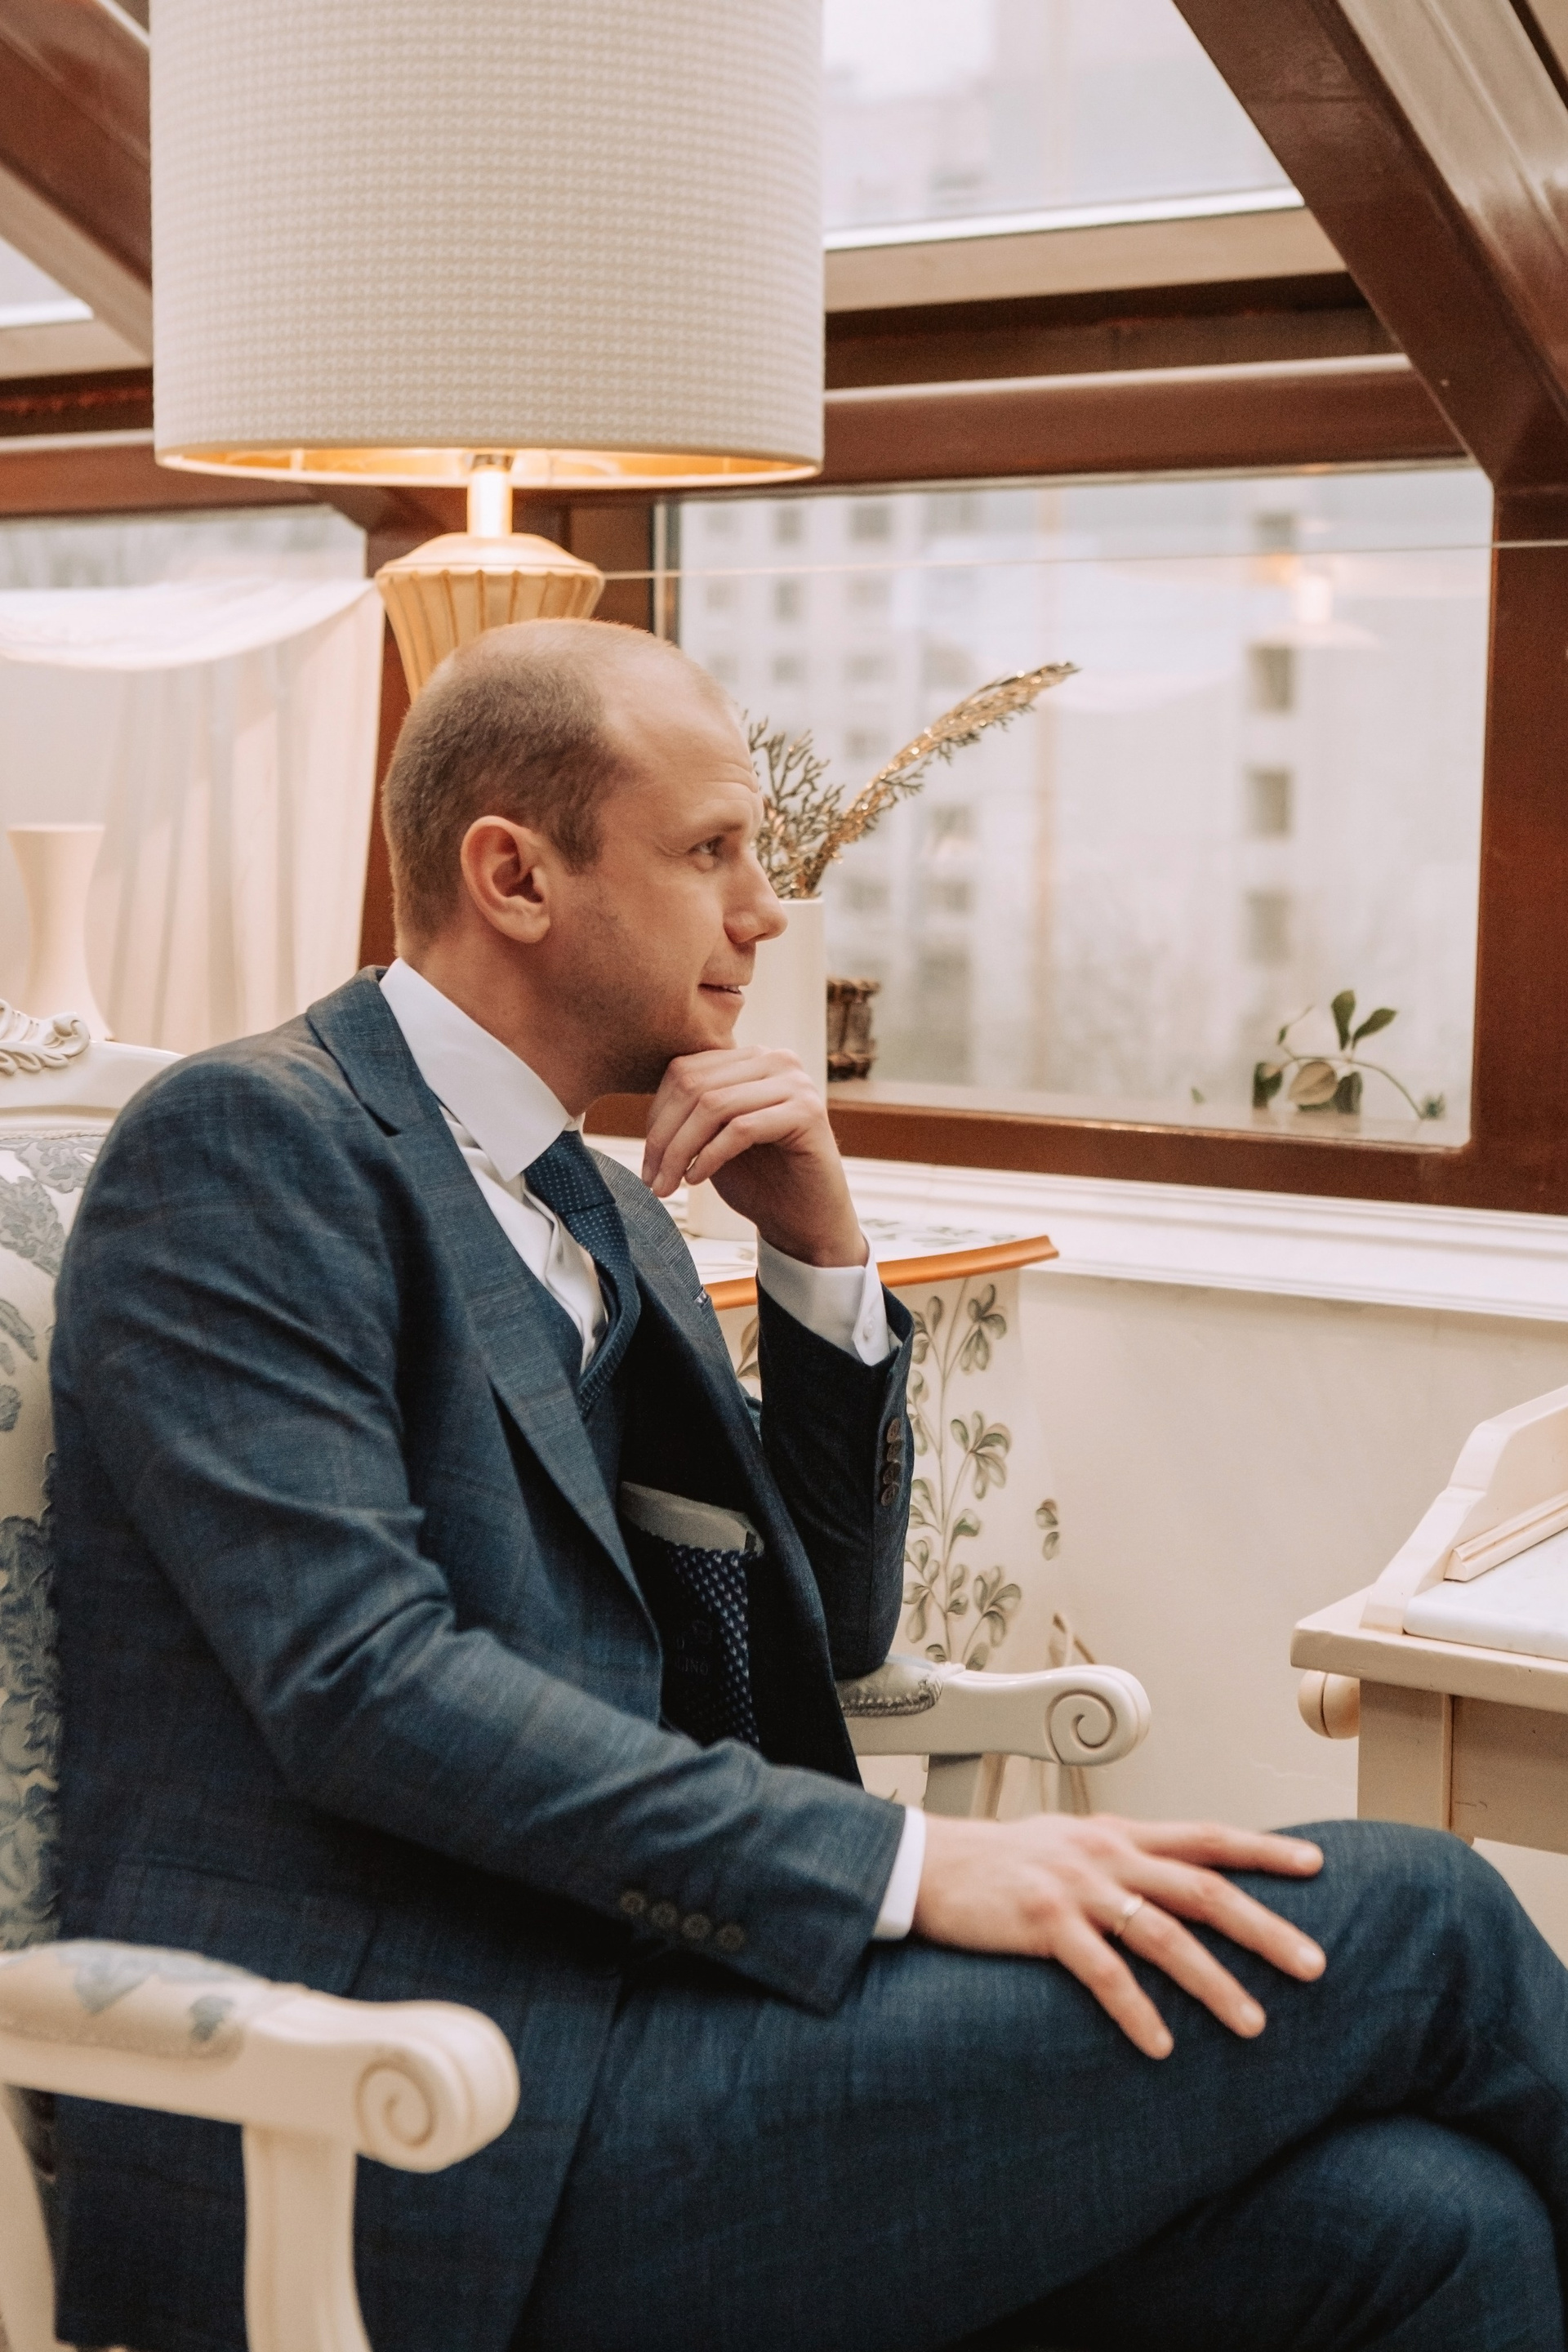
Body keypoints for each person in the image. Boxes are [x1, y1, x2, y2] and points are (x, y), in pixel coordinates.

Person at [48, 618, 1568, 2352]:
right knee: (1424, 1917)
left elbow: (823, 1636)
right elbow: (364, 1687)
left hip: (675, 2015)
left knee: (1438, 2228)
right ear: (514, 876)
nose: (765, 911)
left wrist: (824, 1262)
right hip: (412, 2107)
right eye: (711, 850)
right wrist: (912, 1866)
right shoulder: (252, 1147)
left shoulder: (609, 1205)